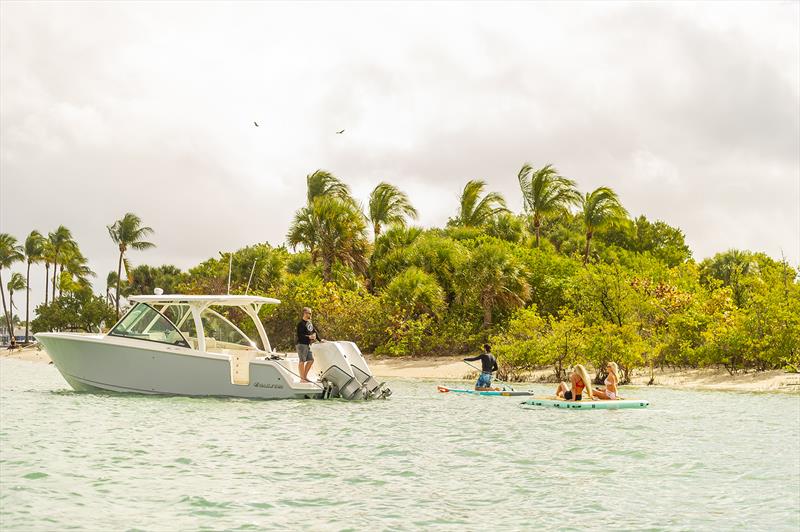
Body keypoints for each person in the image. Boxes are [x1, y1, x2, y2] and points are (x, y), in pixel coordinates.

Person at [296, 307, 322, 382]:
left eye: (311, 313)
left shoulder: (309, 323)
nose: (310, 315)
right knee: (302, 361)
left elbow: (314, 332)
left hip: (307, 345)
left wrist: (320, 340)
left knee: (311, 360)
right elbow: (300, 335)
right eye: (309, 313)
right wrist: (309, 337)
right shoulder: (300, 324)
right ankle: (302, 378)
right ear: (305, 313)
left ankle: (304, 377)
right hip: (301, 344)